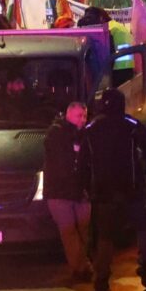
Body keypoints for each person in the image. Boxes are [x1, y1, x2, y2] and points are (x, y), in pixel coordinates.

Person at [82, 87, 146, 291]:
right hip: (131, 188)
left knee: (105, 237)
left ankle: (101, 281)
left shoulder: (91, 128)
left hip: (103, 192)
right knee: (142, 228)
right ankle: (145, 268)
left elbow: (83, 164)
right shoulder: (132, 125)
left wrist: (87, 188)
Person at [40, 98, 91, 281]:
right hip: (60, 192)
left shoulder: (84, 134)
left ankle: (82, 266)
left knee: (84, 230)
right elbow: (64, 164)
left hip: (79, 191)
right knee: (69, 232)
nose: (83, 119)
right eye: (79, 115)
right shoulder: (56, 134)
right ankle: (80, 268)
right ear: (69, 114)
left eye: (85, 116)